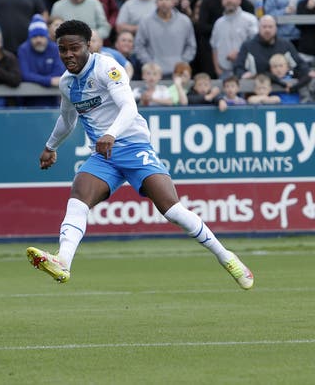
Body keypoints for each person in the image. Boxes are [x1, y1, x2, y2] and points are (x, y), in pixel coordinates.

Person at [25, 19, 253, 291]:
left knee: (173, 210)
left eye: (74, 48)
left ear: (88, 46)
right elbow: (67, 119)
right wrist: (51, 147)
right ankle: (63, 261)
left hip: (134, 148)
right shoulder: (66, 83)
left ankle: (226, 256)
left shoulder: (107, 68)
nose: (68, 55)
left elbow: (129, 107)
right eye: (62, 49)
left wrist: (110, 133)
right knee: (78, 199)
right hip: (104, 156)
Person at [134, 0, 196, 78]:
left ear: (173, 1)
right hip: (154, 74)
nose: (163, 2)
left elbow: (191, 46)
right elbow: (139, 46)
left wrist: (182, 62)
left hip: (179, 73)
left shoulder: (185, 21)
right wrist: (150, 63)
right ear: (156, 2)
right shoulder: (146, 21)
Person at [234, 15, 310, 79]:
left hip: (283, 88)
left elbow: (300, 64)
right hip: (257, 89)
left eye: (270, 27)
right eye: (264, 27)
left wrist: (307, 72)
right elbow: (238, 68)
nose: (267, 30)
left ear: (276, 28)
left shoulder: (285, 45)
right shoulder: (247, 46)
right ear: (259, 28)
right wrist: (243, 75)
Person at [16, 14, 65, 107]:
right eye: (35, 37)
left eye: (41, 36)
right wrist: (48, 80)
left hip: (52, 100)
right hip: (28, 101)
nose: (38, 40)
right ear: (30, 38)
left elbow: (59, 72)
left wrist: (37, 78)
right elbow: (25, 75)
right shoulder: (23, 49)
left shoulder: (54, 48)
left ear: (46, 36)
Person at [210, 0, 258, 79]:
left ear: (239, 0)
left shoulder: (250, 19)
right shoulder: (218, 23)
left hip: (245, 71)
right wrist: (217, 68)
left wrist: (240, 53)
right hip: (224, 72)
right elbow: (214, 47)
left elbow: (256, 43)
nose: (229, 0)